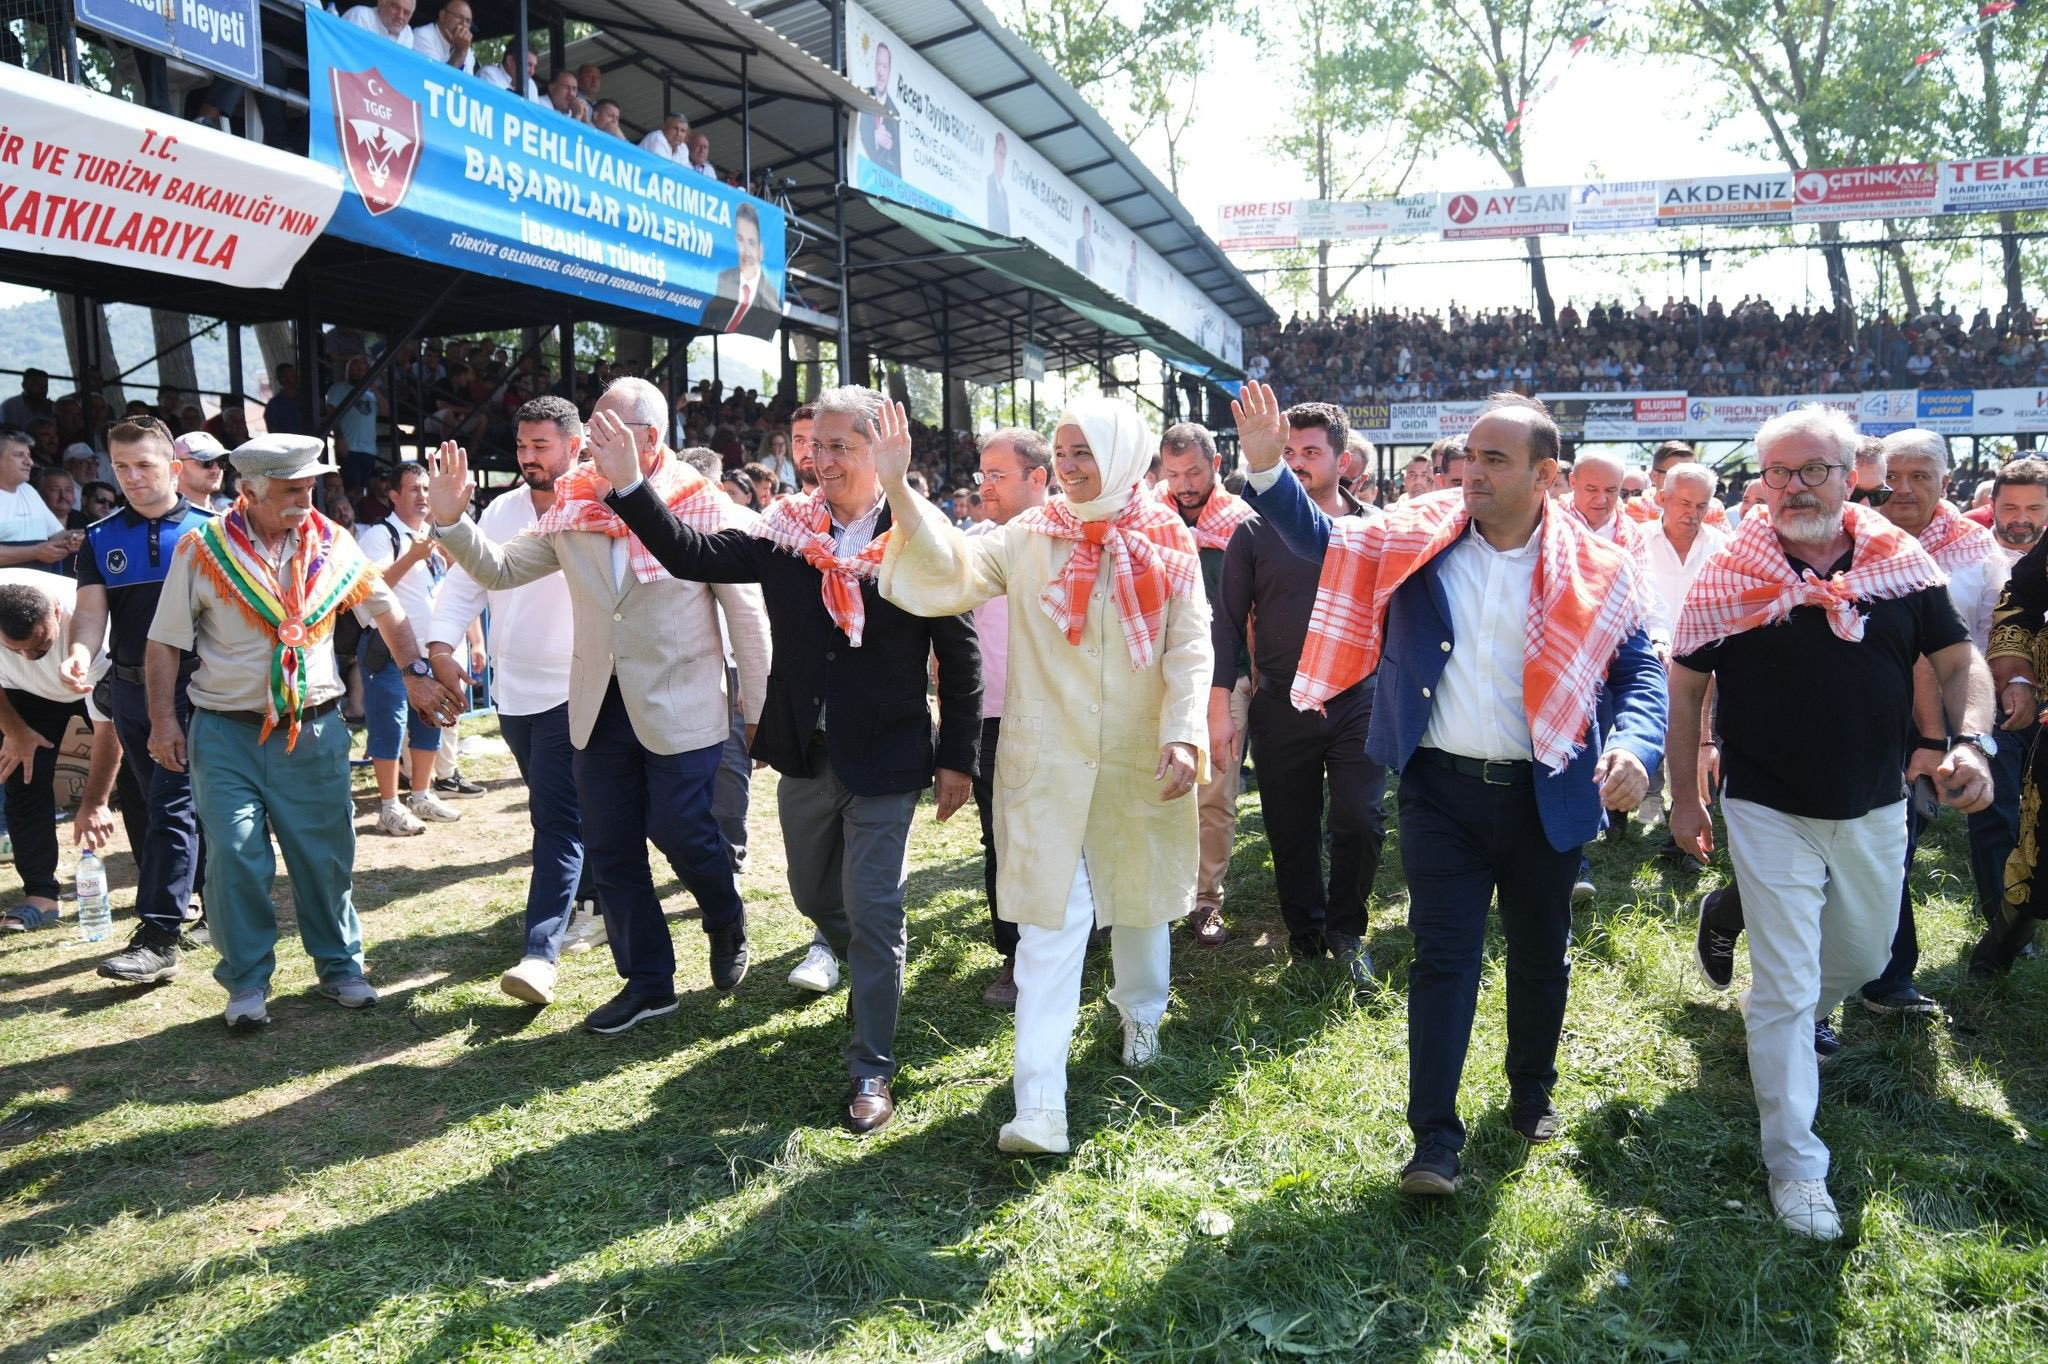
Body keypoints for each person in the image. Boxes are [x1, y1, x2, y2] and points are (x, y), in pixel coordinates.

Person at [1236, 382, 1664, 1198]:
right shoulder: (1418, 538)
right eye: (1469, 455)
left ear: (1545, 476)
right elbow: (1323, 539)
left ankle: (1531, 1093)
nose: (1473, 472)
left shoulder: (1599, 568)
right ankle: (1433, 1139)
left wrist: (1636, 749)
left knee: (1539, 955)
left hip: (1547, 796)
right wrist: (1266, 471)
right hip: (1441, 794)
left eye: (1495, 459)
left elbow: (1639, 673)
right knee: (1442, 958)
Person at [595, 385, 980, 1135]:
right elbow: (689, 552)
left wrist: (957, 758)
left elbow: (958, 654)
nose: (823, 460)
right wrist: (631, 485)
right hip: (805, 752)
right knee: (813, 894)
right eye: (815, 445)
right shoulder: (786, 531)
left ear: (880, 451)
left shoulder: (919, 534)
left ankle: (871, 1066)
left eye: (842, 446)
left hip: (889, 755)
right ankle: (860, 955)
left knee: (875, 908)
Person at [1667, 404, 1994, 1240]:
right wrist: (1686, 796)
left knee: (1862, 957)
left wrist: (1970, 742)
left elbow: (1960, 659)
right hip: (1765, 803)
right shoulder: (1729, 571)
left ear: (1852, 479)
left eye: (1813, 469)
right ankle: (1796, 1166)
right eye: (1778, 471)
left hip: (1876, 801)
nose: (1794, 486)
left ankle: (1758, 961)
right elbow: (1687, 688)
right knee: (1784, 990)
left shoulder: (1899, 564)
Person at [876, 394, 1206, 1157]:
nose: (1069, 466)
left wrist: (1185, 733)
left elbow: (1190, 647)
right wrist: (898, 488)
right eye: (1061, 452)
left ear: (1121, 453)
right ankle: (1039, 1106)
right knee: (1046, 932)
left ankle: (1141, 1013)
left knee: (1139, 903)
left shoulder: (1167, 540)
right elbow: (952, 569)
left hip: (1137, 758)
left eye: (1083, 451)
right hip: (1047, 765)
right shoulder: (1028, 537)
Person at [426, 380, 770, 1032]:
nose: (591, 443)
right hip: (594, 705)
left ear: (650, 440)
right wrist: (451, 521)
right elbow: (500, 569)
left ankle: (725, 916)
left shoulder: (700, 504)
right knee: (611, 847)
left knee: (682, 830)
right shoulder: (576, 500)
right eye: (592, 429)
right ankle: (649, 983)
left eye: (608, 431)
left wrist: (758, 707)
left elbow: (745, 614)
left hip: (683, 703)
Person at [145, 435, 465, 1029]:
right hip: (227, 733)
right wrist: (163, 720)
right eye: (292, 489)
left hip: (314, 731)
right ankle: (246, 981)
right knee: (235, 857)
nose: (307, 499)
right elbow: (164, 641)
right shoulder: (203, 549)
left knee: (325, 857)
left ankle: (340, 968)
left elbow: (387, 610)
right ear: (250, 491)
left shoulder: (333, 542)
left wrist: (416, 674)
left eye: (310, 486)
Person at [427, 396, 605, 1001]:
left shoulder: (601, 504)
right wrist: (440, 648)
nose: (528, 457)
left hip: (579, 690)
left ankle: (540, 952)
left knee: (555, 818)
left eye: (541, 446)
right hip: (514, 694)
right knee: (566, 809)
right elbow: (463, 585)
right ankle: (596, 899)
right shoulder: (502, 510)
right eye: (522, 446)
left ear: (575, 446)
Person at [1214, 401, 1384, 983]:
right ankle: (1306, 934)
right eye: (1288, 452)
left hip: (1359, 697)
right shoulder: (1252, 531)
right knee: (1291, 829)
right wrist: (1220, 703)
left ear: (1344, 461)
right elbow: (1226, 624)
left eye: (1311, 452)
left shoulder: (1376, 529)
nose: (1297, 463)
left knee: (1361, 818)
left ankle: (1347, 930)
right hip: (1281, 701)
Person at [1855, 428, 2006, 1014]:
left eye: (1920, 476)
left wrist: (1981, 719)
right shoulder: (1853, 539)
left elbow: (1990, 638)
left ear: (1946, 482)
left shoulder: (1977, 549)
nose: (1903, 489)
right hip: (1866, 715)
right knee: (1876, 843)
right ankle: (1886, 978)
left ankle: (1880, 974)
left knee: (1891, 843)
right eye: (1892, 476)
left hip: (1949, 724)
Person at [68, 419, 215, 982]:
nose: (131, 477)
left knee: (172, 806)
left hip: (197, 689)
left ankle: (158, 936)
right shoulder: (100, 537)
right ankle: (212, 906)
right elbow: (89, 614)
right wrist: (79, 653)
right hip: (128, 690)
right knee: (167, 805)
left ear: (174, 469)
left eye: (144, 465)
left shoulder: (213, 531)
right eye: (120, 467)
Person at [961, 427, 1051, 1008]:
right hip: (991, 718)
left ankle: (1080, 931)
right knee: (1001, 838)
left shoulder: (1075, 538)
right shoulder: (973, 546)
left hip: (1061, 716)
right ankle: (1016, 954)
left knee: (1065, 833)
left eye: (998, 475)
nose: (984, 486)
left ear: (1037, 478)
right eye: (983, 474)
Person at [1155, 421, 1252, 948]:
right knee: (1155, 786)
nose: (1184, 484)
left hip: (1226, 676)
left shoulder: (1244, 524)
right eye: (1173, 474)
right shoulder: (1148, 520)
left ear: (1216, 465)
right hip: (1159, 675)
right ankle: (1153, 895)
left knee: (1215, 791)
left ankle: (1206, 898)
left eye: (1193, 472)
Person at [0, 573, 119, 935]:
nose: (28, 657)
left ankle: (163, 889)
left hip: (90, 680)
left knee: (140, 777)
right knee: (23, 775)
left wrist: (95, 802)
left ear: (56, 612)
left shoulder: (93, 622)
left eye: (39, 646)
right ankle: (40, 895)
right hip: (22, 693)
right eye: (15, 650)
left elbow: (111, 727)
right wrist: (15, 731)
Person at [356, 462, 463, 835]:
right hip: (388, 652)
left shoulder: (428, 536)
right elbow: (369, 589)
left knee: (431, 721)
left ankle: (421, 795)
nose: (422, 496)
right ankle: (389, 806)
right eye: (414, 489)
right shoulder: (380, 535)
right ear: (394, 495)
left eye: (426, 489)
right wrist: (412, 556)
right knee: (389, 725)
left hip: (428, 651)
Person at [1641, 461, 1728, 840]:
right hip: (1648, 656)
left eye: (1701, 505)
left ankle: (1689, 818)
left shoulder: (1722, 547)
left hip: (1704, 663)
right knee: (1648, 728)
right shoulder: (1637, 540)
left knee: (1697, 736)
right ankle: (1638, 803)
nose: (1692, 514)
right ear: (1662, 499)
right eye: (1684, 503)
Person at [700, 203, 780, 339]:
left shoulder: (772, 299)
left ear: (760, 250)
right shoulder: (723, 279)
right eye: (740, 239)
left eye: (751, 242)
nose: (746, 250)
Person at [0, 429, 73, 569]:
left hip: (40, 581)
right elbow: (37, 551)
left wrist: (76, 537)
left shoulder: (28, 491)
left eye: (29, 455)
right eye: (19, 455)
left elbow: (56, 534)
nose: (29, 462)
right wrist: (34, 552)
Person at [325, 357, 383, 494]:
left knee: (367, 489)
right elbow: (332, 415)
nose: (355, 372)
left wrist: (375, 390)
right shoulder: (338, 389)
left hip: (369, 448)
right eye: (352, 369)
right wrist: (339, 438)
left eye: (360, 369)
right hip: (349, 447)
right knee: (352, 489)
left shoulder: (371, 394)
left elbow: (386, 411)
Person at [860, 42, 901, 176]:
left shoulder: (895, 113)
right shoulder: (861, 95)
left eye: (885, 66)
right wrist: (874, 139)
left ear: (889, 71)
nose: (881, 72)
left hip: (883, 182)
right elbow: (854, 139)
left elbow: (897, 160)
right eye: (878, 64)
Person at [172, 432, 233, 512]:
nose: (216, 470)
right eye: (206, 462)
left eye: (221, 462)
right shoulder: (159, 516)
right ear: (177, 468)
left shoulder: (226, 517)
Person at [411, 0, 474, 72]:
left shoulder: (466, 50)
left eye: (468, 21)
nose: (463, 24)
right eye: (459, 17)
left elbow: (465, 77)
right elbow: (437, 76)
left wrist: (462, 51)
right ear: (442, 16)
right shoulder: (423, 35)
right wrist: (460, 52)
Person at [343, 0, 416, 46]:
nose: (400, 16)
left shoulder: (407, 34)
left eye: (406, 13)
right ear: (381, 4)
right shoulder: (361, 16)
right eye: (395, 7)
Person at [987, 132, 1010, 233]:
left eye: (1004, 156)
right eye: (1000, 153)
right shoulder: (987, 183)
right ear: (994, 154)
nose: (1002, 159)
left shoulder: (1004, 193)